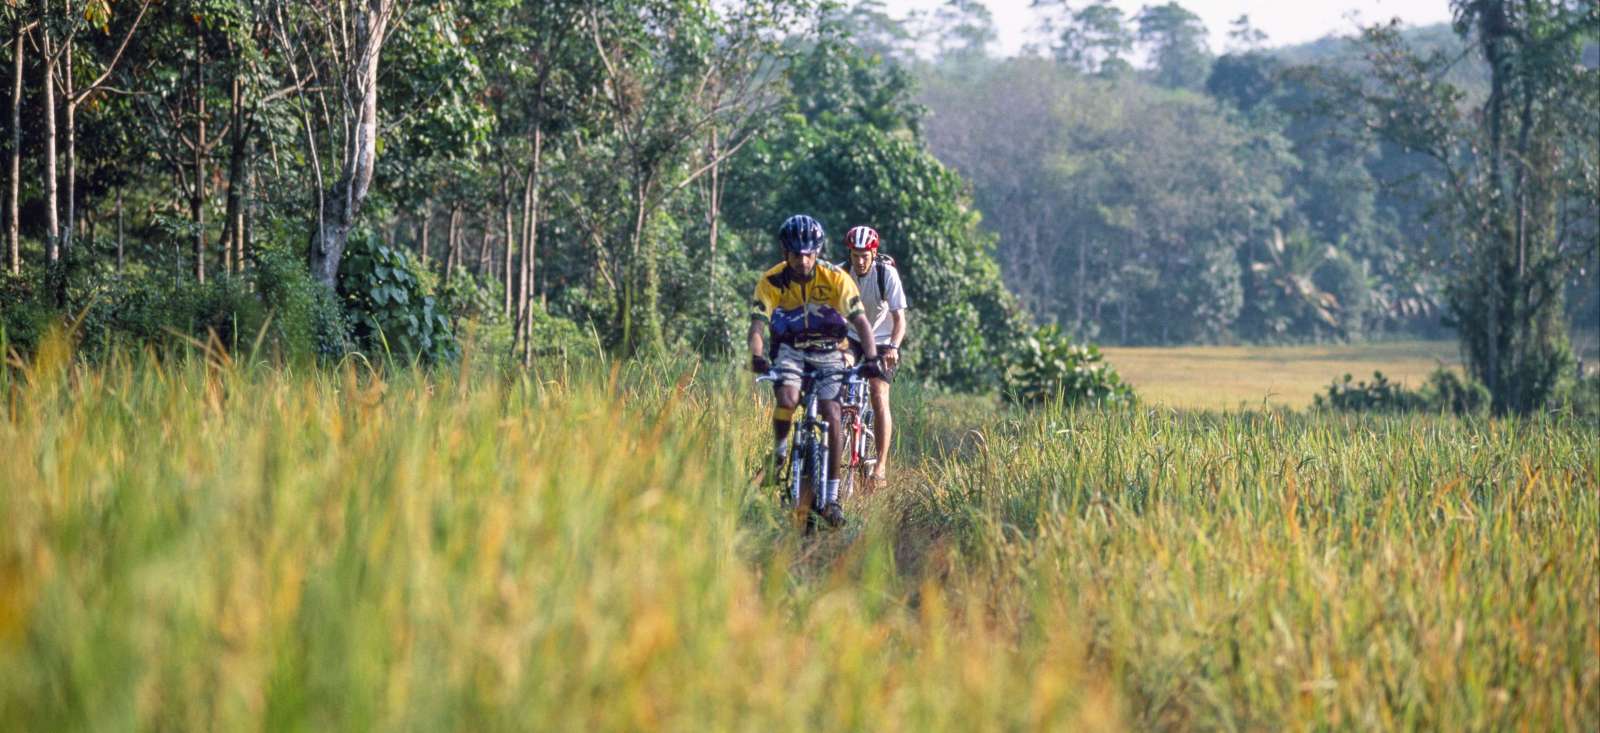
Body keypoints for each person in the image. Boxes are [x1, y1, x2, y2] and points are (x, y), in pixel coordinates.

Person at [749, 214, 884, 528]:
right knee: (787, 397)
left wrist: (873, 357)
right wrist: (756, 354)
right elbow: (758, 324)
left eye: (810, 253)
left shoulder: (835, 277)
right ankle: (781, 453)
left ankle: (832, 498)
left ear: (818, 251)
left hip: (828, 351)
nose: (804, 260)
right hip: (790, 351)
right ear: (786, 253)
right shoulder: (772, 280)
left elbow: (861, 321)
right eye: (797, 254)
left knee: (832, 411)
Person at [839, 226, 907, 489]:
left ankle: (879, 467)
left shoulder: (885, 274)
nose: (860, 260)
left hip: (881, 341)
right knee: (839, 374)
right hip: (852, 337)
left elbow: (900, 320)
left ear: (873, 252)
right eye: (855, 255)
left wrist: (894, 347)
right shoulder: (841, 273)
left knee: (878, 395)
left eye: (865, 255)